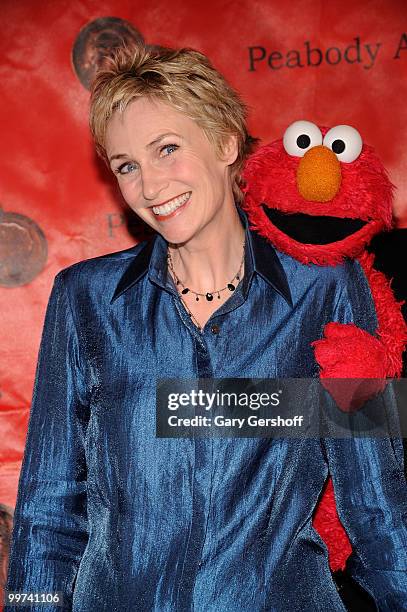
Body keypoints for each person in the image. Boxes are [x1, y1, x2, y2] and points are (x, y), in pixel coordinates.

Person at [5, 45, 407, 612]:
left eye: (167, 149)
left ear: (224, 143)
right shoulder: (85, 300)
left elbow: (375, 497)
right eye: (127, 166)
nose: (149, 186)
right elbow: (49, 506)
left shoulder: (328, 289)